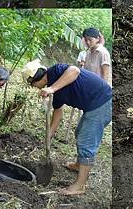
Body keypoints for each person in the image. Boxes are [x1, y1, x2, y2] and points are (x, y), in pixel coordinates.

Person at [23, 59, 112, 196]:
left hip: (103, 102)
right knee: (80, 132)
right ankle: (78, 165)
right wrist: (49, 134)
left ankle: (80, 186)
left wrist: (52, 88)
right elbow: (58, 112)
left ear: (36, 77)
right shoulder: (54, 89)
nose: (34, 87)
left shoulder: (56, 71)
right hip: (93, 105)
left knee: (86, 141)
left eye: (32, 83)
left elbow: (75, 71)